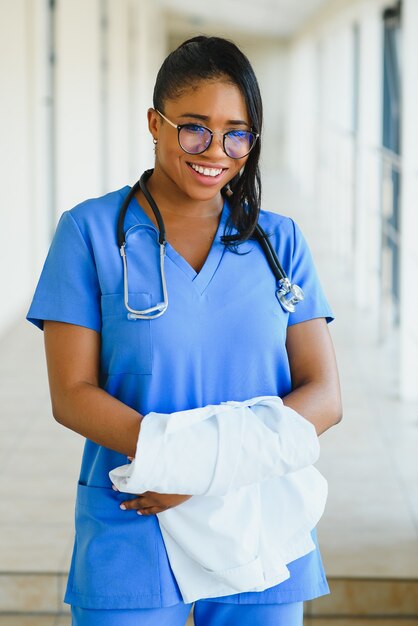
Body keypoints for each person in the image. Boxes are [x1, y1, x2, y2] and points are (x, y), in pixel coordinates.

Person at [27, 35, 342, 626]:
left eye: (236, 132)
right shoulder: (90, 233)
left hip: (259, 519)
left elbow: (324, 396)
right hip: (137, 517)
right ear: (155, 122)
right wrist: (176, 471)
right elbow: (70, 394)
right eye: (194, 127)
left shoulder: (280, 241)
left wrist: (199, 474)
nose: (215, 150)